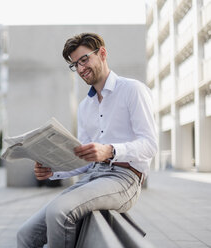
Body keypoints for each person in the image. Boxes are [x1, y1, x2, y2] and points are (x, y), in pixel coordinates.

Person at [17, 33, 158, 248]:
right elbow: (83, 161)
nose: (81, 69)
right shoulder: (85, 107)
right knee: (25, 234)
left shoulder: (132, 90)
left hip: (125, 179)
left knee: (58, 211)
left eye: (84, 60)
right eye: (75, 65)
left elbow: (150, 145)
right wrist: (53, 171)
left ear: (102, 53)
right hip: (92, 178)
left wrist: (109, 151)